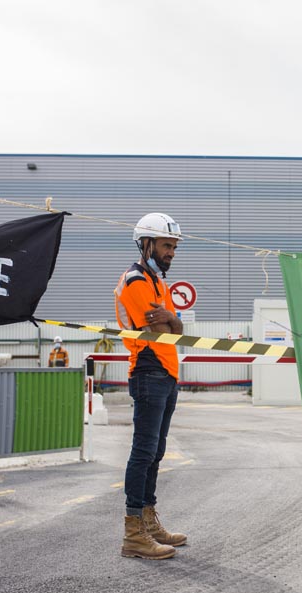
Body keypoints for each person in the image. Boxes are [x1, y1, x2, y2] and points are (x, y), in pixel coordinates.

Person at [114, 212, 188, 560]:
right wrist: (171, 323)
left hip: (167, 372)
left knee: (156, 451)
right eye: (166, 245)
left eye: (173, 247)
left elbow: (177, 328)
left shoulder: (158, 283)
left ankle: (148, 519)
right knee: (143, 452)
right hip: (149, 369)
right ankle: (134, 533)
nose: (171, 252)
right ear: (146, 244)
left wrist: (172, 318)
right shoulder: (135, 282)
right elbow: (162, 332)